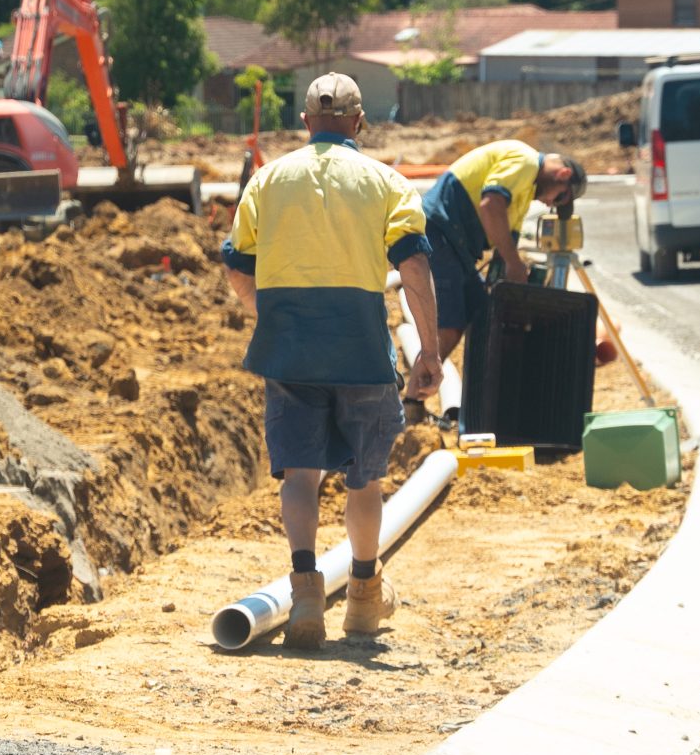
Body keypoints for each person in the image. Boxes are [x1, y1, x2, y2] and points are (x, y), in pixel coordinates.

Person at [221, 73, 443, 646]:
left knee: (300, 474)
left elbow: (237, 268)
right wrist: (431, 352)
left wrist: (263, 313)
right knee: (363, 480)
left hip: (290, 351)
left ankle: (305, 594)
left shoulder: (267, 180)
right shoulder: (387, 182)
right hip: (361, 350)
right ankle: (364, 596)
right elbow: (414, 269)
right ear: (359, 122)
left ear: (304, 123)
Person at [421, 139, 587, 355]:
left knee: (481, 313)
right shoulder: (525, 161)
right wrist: (513, 263)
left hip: (456, 245)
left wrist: (514, 279)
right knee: (449, 327)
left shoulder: (525, 193)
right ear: (563, 174)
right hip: (440, 232)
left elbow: (507, 243)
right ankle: (416, 388)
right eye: (559, 198)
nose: (549, 204)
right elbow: (491, 205)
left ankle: (469, 385)